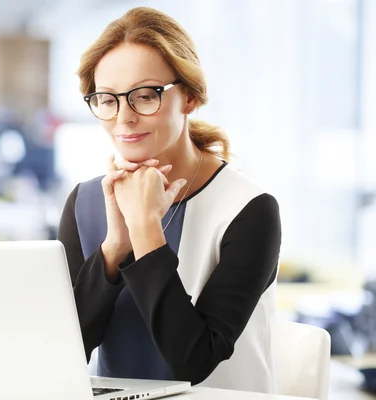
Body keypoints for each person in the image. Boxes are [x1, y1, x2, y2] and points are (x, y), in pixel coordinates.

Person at [57, 7, 281, 394]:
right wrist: (114, 249)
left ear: (190, 97)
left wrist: (145, 230)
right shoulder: (84, 203)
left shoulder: (250, 210)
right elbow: (63, 350)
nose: (123, 117)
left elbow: (193, 360)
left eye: (145, 96)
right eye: (107, 99)